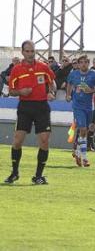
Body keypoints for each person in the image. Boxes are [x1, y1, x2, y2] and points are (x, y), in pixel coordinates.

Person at [4, 40, 56, 184]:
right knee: (17, 140)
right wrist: (21, 91)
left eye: (32, 51)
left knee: (44, 141)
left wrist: (51, 92)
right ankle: (14, 173)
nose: (30, 54)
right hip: (25, 107)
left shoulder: (43, 67)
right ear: (22, 52)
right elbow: (12, 91)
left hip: (42, 107)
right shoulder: (16, 70)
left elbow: (52, 82)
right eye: (27, 51)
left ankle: (38, 176)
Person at [66, 55, 95, 167]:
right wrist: (68, 94)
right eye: (81, 62)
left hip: (89, 106)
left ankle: (78, 153)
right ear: (78, 64)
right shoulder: (73, 74)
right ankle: (84, 157)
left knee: (85, 132)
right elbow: (69, 83)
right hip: (77, 106)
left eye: (85, 62)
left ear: (88, 63)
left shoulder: (94, 75)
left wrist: (91, 90)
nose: (83, 64)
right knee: (82, 129)